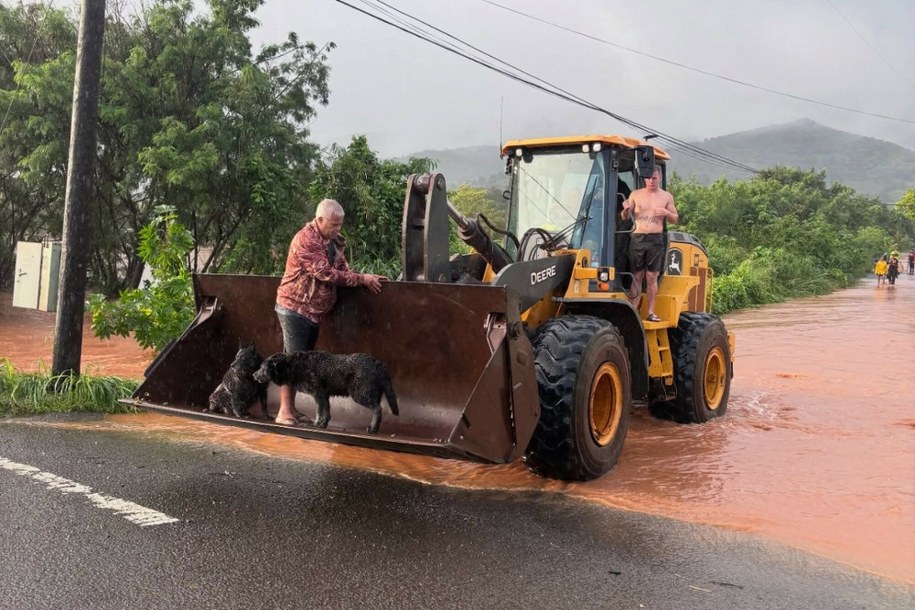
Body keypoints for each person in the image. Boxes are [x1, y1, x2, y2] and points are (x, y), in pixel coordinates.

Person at [272, 198, 386, 426]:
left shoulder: (332, 241)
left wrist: (361, 278)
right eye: (333, 225)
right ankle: (284, 412)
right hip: (295, 307)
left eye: (340, 225)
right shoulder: (306, 240)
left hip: (314, 311)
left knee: (299, 358)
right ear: (320, 219)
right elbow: (327, 274)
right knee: (292, 361)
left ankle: (291, 409)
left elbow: (342, 268)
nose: (337, 229)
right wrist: (361, 279)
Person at [621, 167, 678, 322]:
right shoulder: (636, 194)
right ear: (644, 178)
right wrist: (626, 209)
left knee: (652, 276)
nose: (651, 181)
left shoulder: (666, 196)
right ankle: (634, 310)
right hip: (638, 237)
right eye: (649, 178)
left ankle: (651, 311)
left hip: (655, 238)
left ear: (659, 177)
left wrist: (666, 213)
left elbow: (675, 218)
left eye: (654, 178)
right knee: (637, 275)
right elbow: (625, 216)